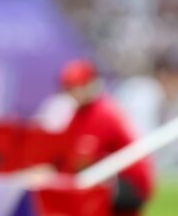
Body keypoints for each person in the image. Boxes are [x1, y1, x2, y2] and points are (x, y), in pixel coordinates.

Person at [58, 59, 154, 215]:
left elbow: (82, 159)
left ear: (91, 84)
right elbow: (65, 147)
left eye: (80, 86)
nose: (76, 92)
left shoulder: (102, 113)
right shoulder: (80, 113)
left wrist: (53, 172)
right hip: (110, 179)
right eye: (71, 88)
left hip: (129, 183)